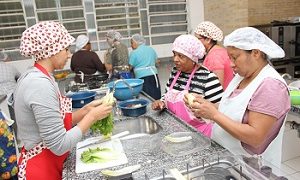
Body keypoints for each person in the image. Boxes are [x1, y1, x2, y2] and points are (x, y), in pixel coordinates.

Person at [15, 21, 113, 179]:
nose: (69, 55)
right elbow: (59, 145)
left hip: (49, 164)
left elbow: (52, 123)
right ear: (51, 50)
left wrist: (84, 111)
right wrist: (92, 117)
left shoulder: (42, 77)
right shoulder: (38, 84)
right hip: (41, 170)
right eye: (66, 49)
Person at [185, 27, 290, 167]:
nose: (231, 64)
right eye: (229, 57)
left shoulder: (271, 86)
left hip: (250, 167)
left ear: (255, 53)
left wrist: (214, 115)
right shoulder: (242, 76)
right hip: (228, 158)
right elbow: (232, 108)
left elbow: (255, 137)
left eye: (234, 57)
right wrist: (204, 106)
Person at [151, 34, 223, 137]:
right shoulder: (175, 72)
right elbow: (167, 94)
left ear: (193, 58)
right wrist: (161, 102)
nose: (175, 59)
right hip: (177, 131)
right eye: (174, 54)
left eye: (181, 56)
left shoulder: (207, 77)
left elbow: (221, 109)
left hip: (201, 135)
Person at [194, 21, 234, 89]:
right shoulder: (220, 50)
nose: (195, 42)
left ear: (208, 39)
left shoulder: (214, 56)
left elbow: (217, 86)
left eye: (198, 39)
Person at [129, 34, 161, 100]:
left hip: (142, 77)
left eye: (132, 43)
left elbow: (130, 67)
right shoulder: (151, 49)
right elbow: (157, 63)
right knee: (155, 95)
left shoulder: (134, 53)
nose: (131, 45)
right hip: (154, 75)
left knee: (146, 96)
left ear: (136, 42)